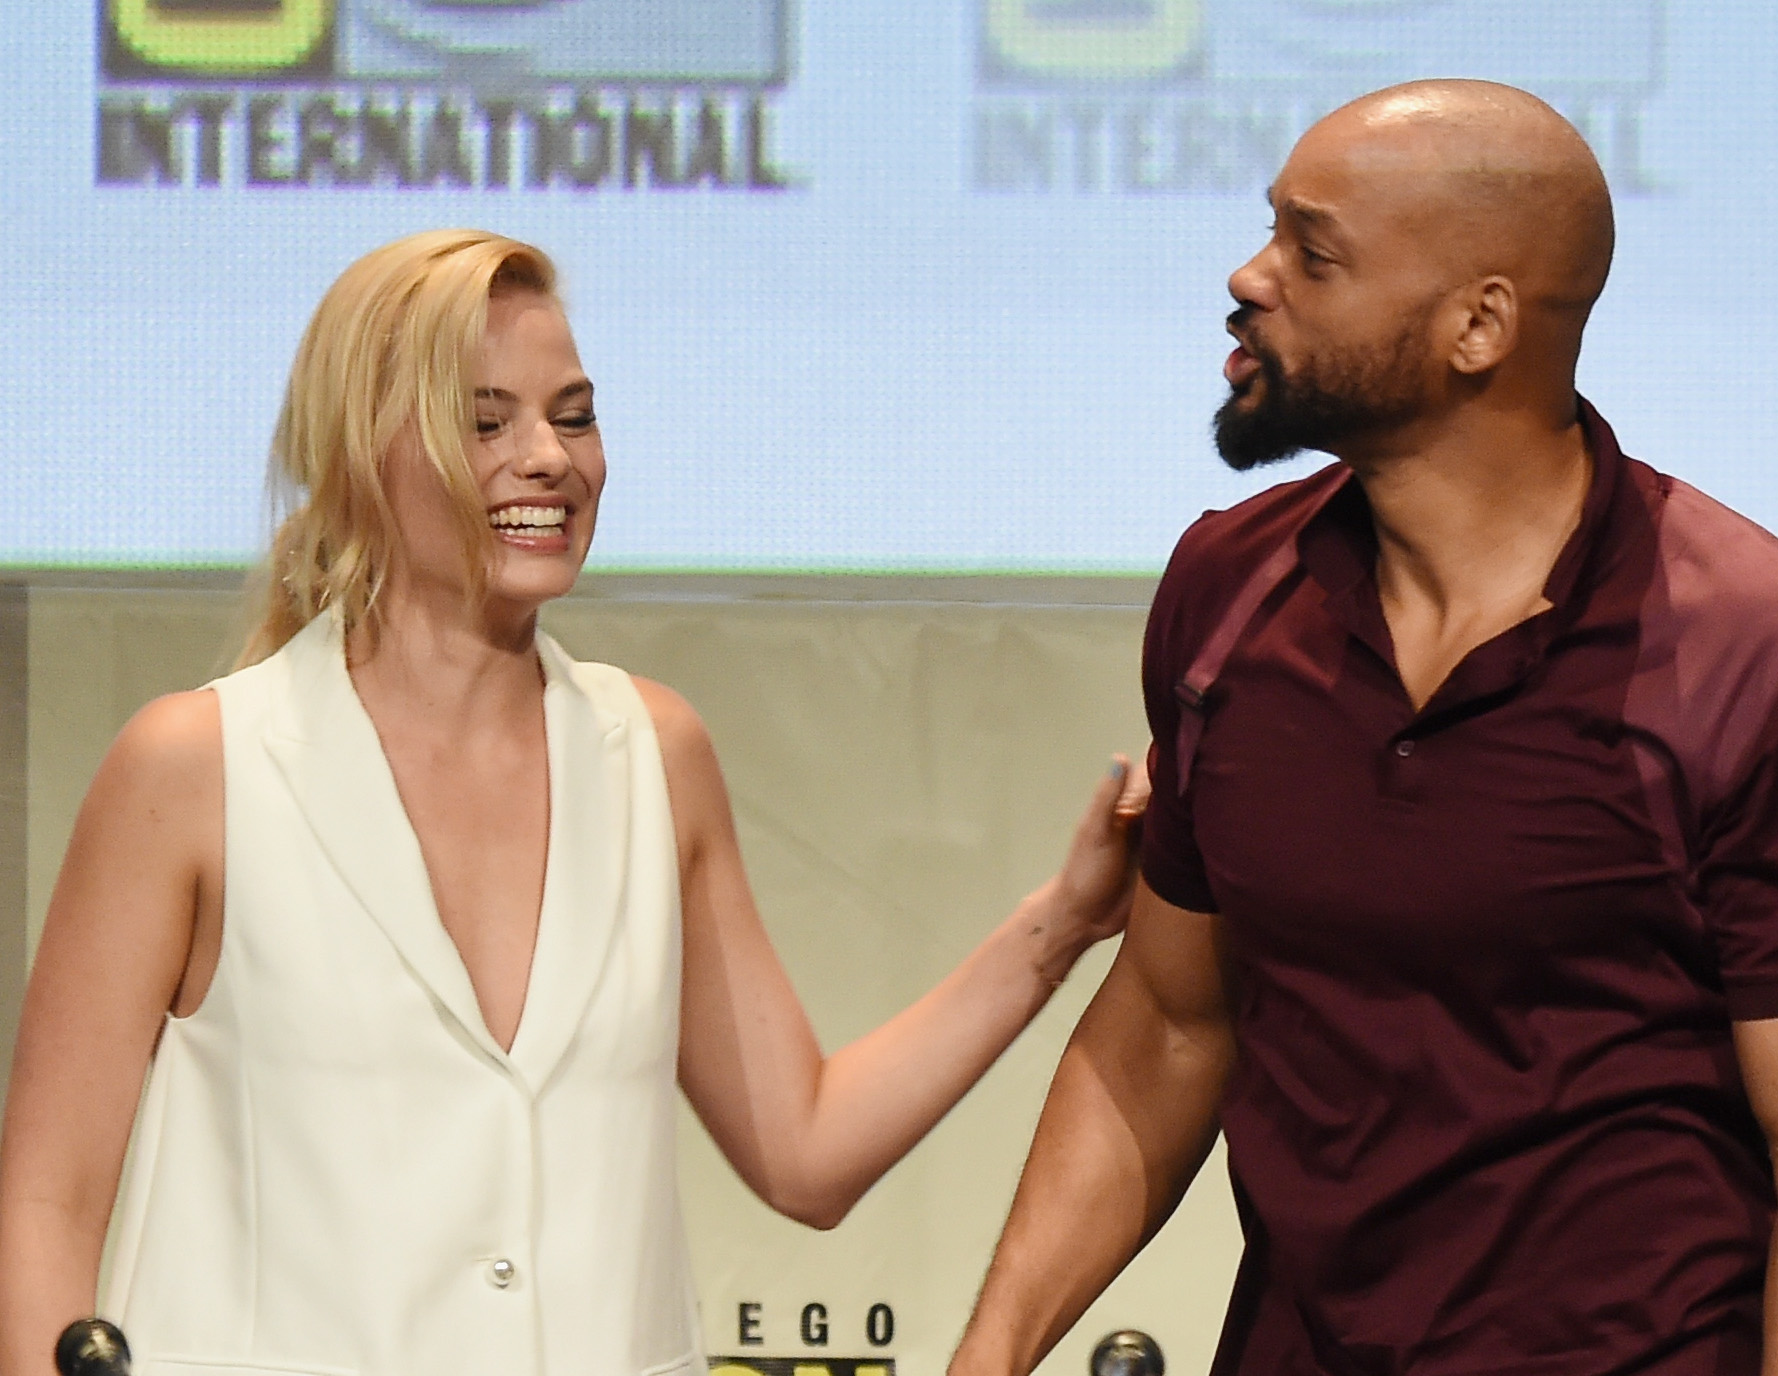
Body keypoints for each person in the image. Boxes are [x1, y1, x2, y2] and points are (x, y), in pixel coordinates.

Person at [0, 229, 1148, 1376]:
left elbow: (804, 1147)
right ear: (359, 453)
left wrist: (1061, 920)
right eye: (485, 421)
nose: (548, 457)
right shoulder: (197, 765)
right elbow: (45, 1205)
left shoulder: (651, 752)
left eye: (575, 415)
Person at [948, 81, 1778, 1376]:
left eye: (1312, 253)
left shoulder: (1756, 652)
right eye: (1269, 231)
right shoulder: (1228, 592)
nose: (1249, 278)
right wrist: (987, 1358)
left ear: (1480, 325)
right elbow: (1169, 1025)